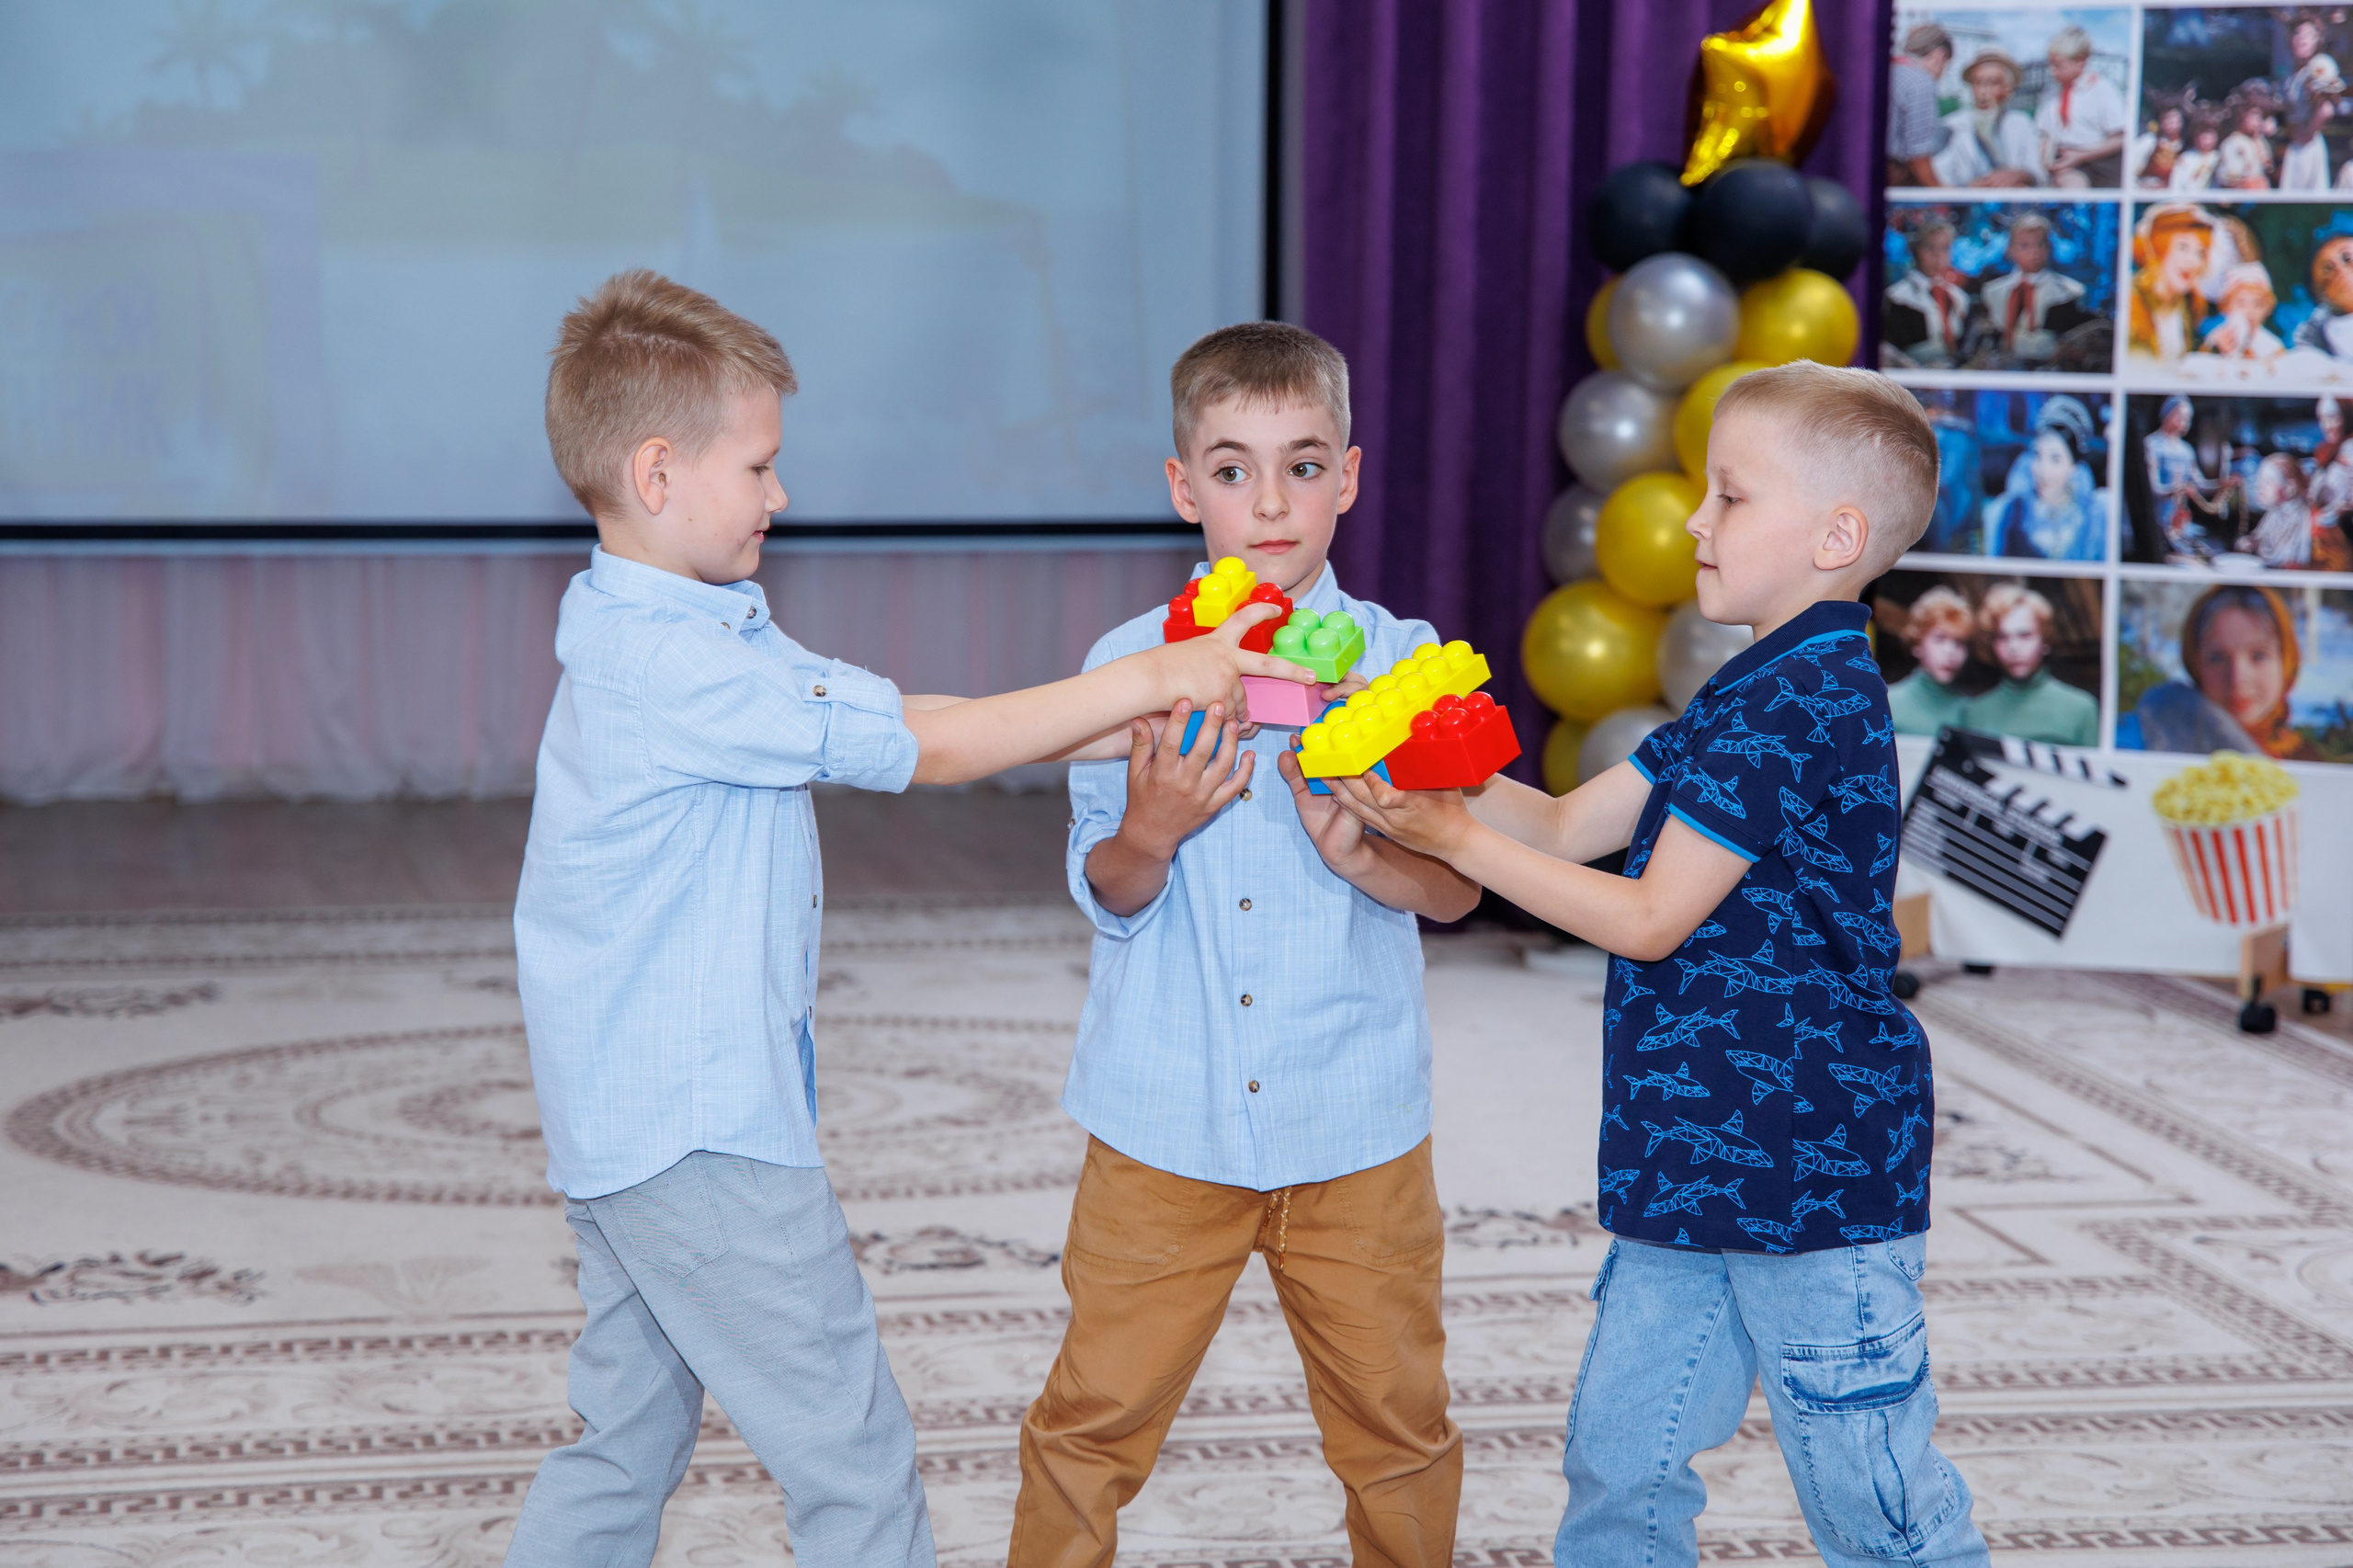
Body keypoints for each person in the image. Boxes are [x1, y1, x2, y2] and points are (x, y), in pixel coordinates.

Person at [503, 274, 1313, 1568]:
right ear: (658, 472)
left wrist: (1140, 715)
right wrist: (1155, 671)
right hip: (702, 1130)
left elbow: (904, 712)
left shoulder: (669, 626)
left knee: (628, 1434)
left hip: (630, 1126)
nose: (780, 494)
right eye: (758, 466)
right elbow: (924, 751)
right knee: (855, 1460)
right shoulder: (674, 667)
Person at [1310, 362, 1991, 1568]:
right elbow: (1568, 823)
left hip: (1812, 1175)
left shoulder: (1804, 700)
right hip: (1689, 1159)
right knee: (1620, 1465)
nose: (1691, 519)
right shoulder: (1748, 686)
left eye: (1730, 494)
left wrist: (1452, 839)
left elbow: (1647, 918)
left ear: (1837, 537)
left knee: (1871, 1497)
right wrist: (1419, 749)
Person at [1009, 323, 1481, 1568]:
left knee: (1398, 1426)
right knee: (1091, 1422)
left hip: (1357, 1124)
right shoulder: (1127, 666)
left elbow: (1456, 893)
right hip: (1164, 1122)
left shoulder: (1406, 660)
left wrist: (1367, 857)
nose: (1270, 502)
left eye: (1303, 465)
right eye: (1232, 469)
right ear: (1183, 486)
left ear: (1350, 476)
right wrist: (1152, 830)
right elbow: (1108, 887)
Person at [2124, 584, 2321, 758]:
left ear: (2286, 661)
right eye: (2217, 658)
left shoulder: (2309, 758)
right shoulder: (2141, 740)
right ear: (2195, 663)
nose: (2237, 678)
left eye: (2259, 656)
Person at [1961, 582, 2099, 745]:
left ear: (2045, 641)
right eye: (2003, 637)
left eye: (2024, 636)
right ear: (1993, 644)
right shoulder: (1975, 713)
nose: (2013, 647)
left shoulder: (2080, 709)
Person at [1988, 397, 2107, 560]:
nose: (2043, 471)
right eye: (2038, 455)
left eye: (2055, 459)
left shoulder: (2094, 519)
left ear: (2074, 466)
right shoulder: (2008, 513)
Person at [1971, 211, 2089, 367]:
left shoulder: (2070, 292)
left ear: (2049, 247)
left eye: (2040, 244)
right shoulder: (1992, 292)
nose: (2034, 252)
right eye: (2025, 245)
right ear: (2011, 250)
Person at [1932, 50, 2044, 187]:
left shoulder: (2021, 123)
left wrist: (2017, 175)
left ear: (2007, 89)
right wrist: (1970, 187)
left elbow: (2038, 171)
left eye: (1993, 83)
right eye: (1978, 83)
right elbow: (1940, 176)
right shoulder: (1952, 126)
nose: (1983, 92)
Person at [2143, 394, 2231, 562]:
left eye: (2187, 418)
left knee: (2211, 552)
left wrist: (2223, 484)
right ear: (2168, 415)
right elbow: (2153, 488)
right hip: (2158, 520)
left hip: (2181, 521)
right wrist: (2177, 489)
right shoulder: (2152, 444)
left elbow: (2201, 485)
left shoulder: (2186, 450)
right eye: (2181, 416)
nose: (2185, 421)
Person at [2038, 25, 2128, 187]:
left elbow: (2120, 138)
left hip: (2102, 160)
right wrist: (2045, 157)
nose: (2052, 71)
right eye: (2050, 64)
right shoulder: (2050, 92)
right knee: (2071, 185)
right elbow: (2044, 134)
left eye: (2058, 65)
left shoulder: (2103, 89)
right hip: (2067, 161)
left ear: (2080, 61)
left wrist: (2080, 155)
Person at [2129, 203, 2216, 362]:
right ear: (2157, 248)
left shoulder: (2188, 304)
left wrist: (2212, 345)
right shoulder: (2131, 300)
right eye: (2183, 247)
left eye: (2200, 253)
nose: (2194, 261)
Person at [1887, 584, 1977, 735]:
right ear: (1917, 645)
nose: (1951, 652)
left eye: (1959, 642)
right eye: (1940, 639)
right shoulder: (1888, 704)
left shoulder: (1969, 712)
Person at [1883, 219, 1972, 369]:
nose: (1937, 255)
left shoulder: (1959, 298)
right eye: (1930, 247)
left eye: (1944, 248)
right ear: (1917, 250)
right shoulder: (1897, 298)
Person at [1888, 24, 1956, 186]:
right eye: (1946, 64)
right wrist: (1942, 193)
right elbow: (1918, 157)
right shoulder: (1921, 82)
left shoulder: (1889, 70)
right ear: (1939, 56)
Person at [2280, 12, 2342, 189]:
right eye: (2297, 34)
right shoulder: (2296, 74)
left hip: (2307, 144)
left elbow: (2326, 109)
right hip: (2297, 144)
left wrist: (2307, 134)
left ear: (2317, 40)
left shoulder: (2319, 66)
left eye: (2308, 35)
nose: (2301, 39)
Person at [2290, 225, 2353, 358]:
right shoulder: (2315, 346)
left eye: (2347, 257)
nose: (2340, 269)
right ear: (2320, 295)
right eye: (2327, 268)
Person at [2201, 261, 2285, 360]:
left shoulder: (2273, 346)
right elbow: (2202, 361)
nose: (2249, 311)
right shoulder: (2217, 338)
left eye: (2257, 304)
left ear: (2268, 309)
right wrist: (2214, 348)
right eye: (2241, 304)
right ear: (2226, 307)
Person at [2247, 451, 2316, 565]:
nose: (2259, 487)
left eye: (2268, 482)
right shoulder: (2273, 513)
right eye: (2259, 481)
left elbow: (2295, 557)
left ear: (2289, 487)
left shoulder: (2301, 517)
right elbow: (2260, 538)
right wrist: (2251, 542)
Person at [2215, 82, 2280, 189]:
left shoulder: (2259, 141)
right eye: (2254, 115)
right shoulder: (2233, 142)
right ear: (2240, 115)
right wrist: (2247, 183)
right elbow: (2229, 176)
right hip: (2241, 193)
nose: (2258, 120)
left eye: (2261, 116)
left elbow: (2268, 167)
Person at [2134, 97, 2188, 187]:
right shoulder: (2149, 142)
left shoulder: (2185, 147)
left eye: (2174, 117)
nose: (2171, 121)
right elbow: (2131, 170)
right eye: (2166, 118)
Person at [2171, 101, 2224, 188]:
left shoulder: (2219, 158)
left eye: (2210, 134)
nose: (2205, 138)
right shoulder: (2186, 158)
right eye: (2201, 134)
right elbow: (2175, 184)